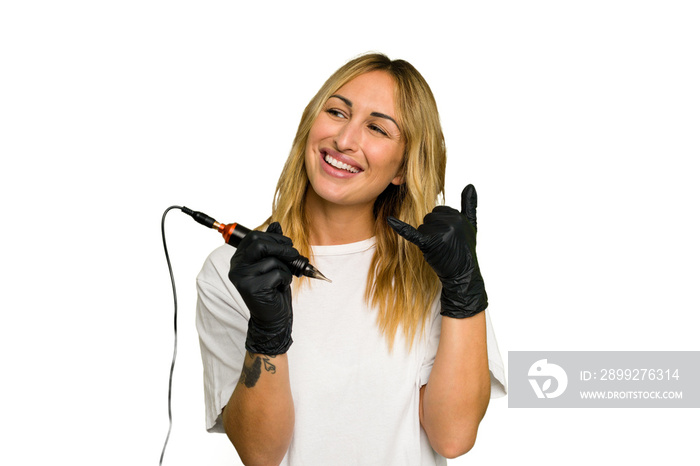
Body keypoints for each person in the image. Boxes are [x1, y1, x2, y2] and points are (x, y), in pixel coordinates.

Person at [196, 52, 506, 466]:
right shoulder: (235, 271)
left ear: (402, 167)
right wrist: (266, 337)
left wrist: (464, 287)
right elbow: (259, 454)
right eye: (337, 112)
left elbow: (453, 437)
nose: (345, 140)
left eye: (377, 128)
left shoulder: (432, 268)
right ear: (310, 124)